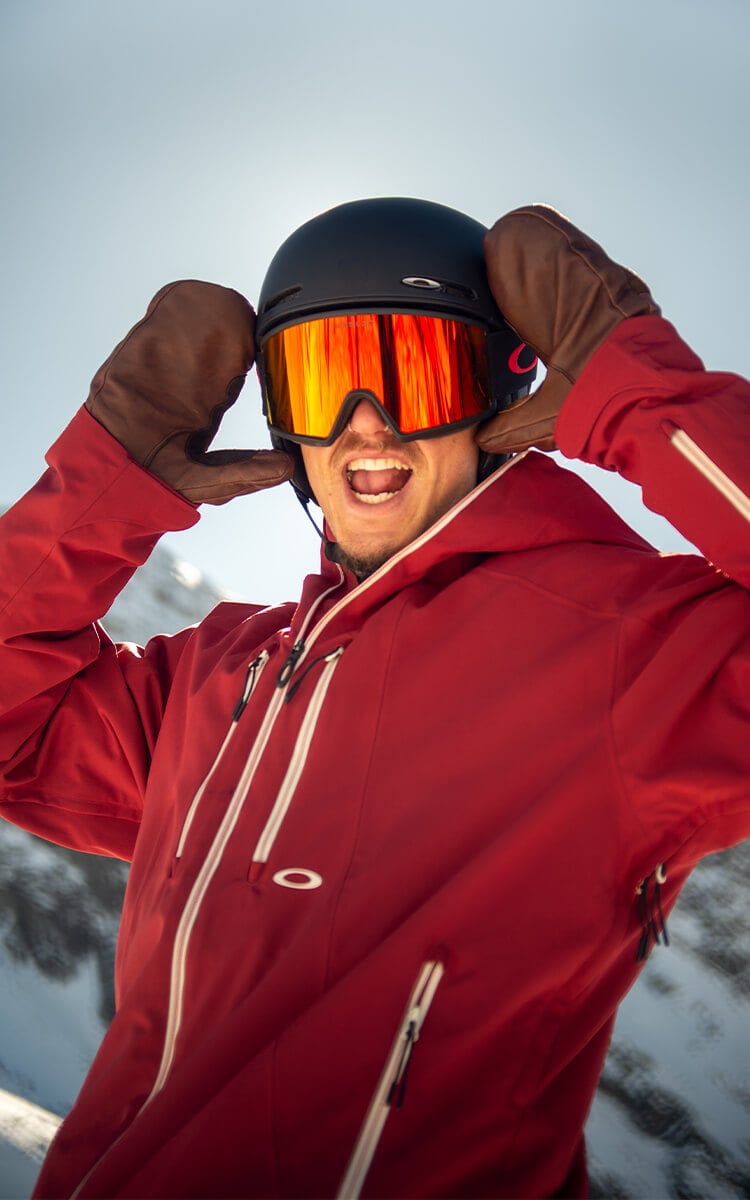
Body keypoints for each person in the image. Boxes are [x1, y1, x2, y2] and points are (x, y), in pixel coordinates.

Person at [0, 197, 748, 1200]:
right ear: (283, 424)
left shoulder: (629, 653)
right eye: (319, 380)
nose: (367, 423)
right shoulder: (221, 675)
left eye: (414, 370)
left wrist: (632, 383)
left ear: (497, 392)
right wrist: (111, 471)